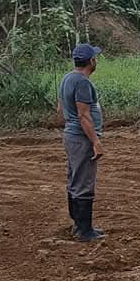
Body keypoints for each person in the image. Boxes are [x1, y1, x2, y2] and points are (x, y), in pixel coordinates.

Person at [58, 43, 106, 242]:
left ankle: (79, 225)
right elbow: (84, 115)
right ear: (91, 61)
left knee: (75, 178)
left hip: (72, 135)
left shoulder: (67, 78)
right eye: (95, 58)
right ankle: (84, 231)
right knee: (84, 181)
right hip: (81, 138)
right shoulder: (82, 83)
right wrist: (95, 141)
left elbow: (60, 108)